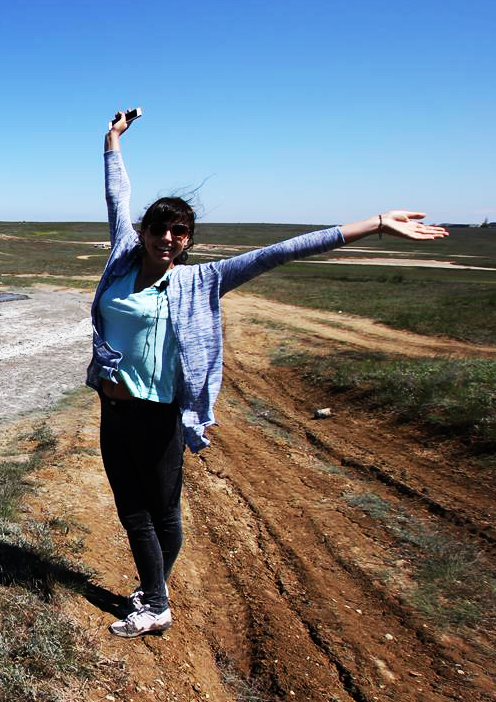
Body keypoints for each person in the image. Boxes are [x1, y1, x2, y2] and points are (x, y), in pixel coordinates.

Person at [92, 108, 448, 638]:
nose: (168, 238)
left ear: (188, 239)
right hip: (112, 407)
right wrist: (111, 141)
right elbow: (117, 195)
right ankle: (156, 589)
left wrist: (374, 223)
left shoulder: (203, 281)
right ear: (143, 232)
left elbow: (281, 251)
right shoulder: (122, 257)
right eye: (160, 229)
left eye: (180, 231)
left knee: (154, 513)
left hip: (159, 414)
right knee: (134, 509)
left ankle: (156, 602)